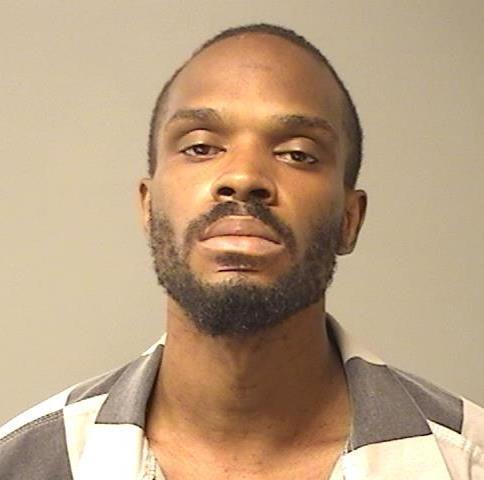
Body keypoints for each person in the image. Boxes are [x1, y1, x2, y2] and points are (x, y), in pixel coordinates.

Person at [1, 23, 483, 480]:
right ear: (148, 207)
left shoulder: (467, 462)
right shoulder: (23, 464)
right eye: (200, 147)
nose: (244, 176)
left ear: (349, 220)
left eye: (297, 153)